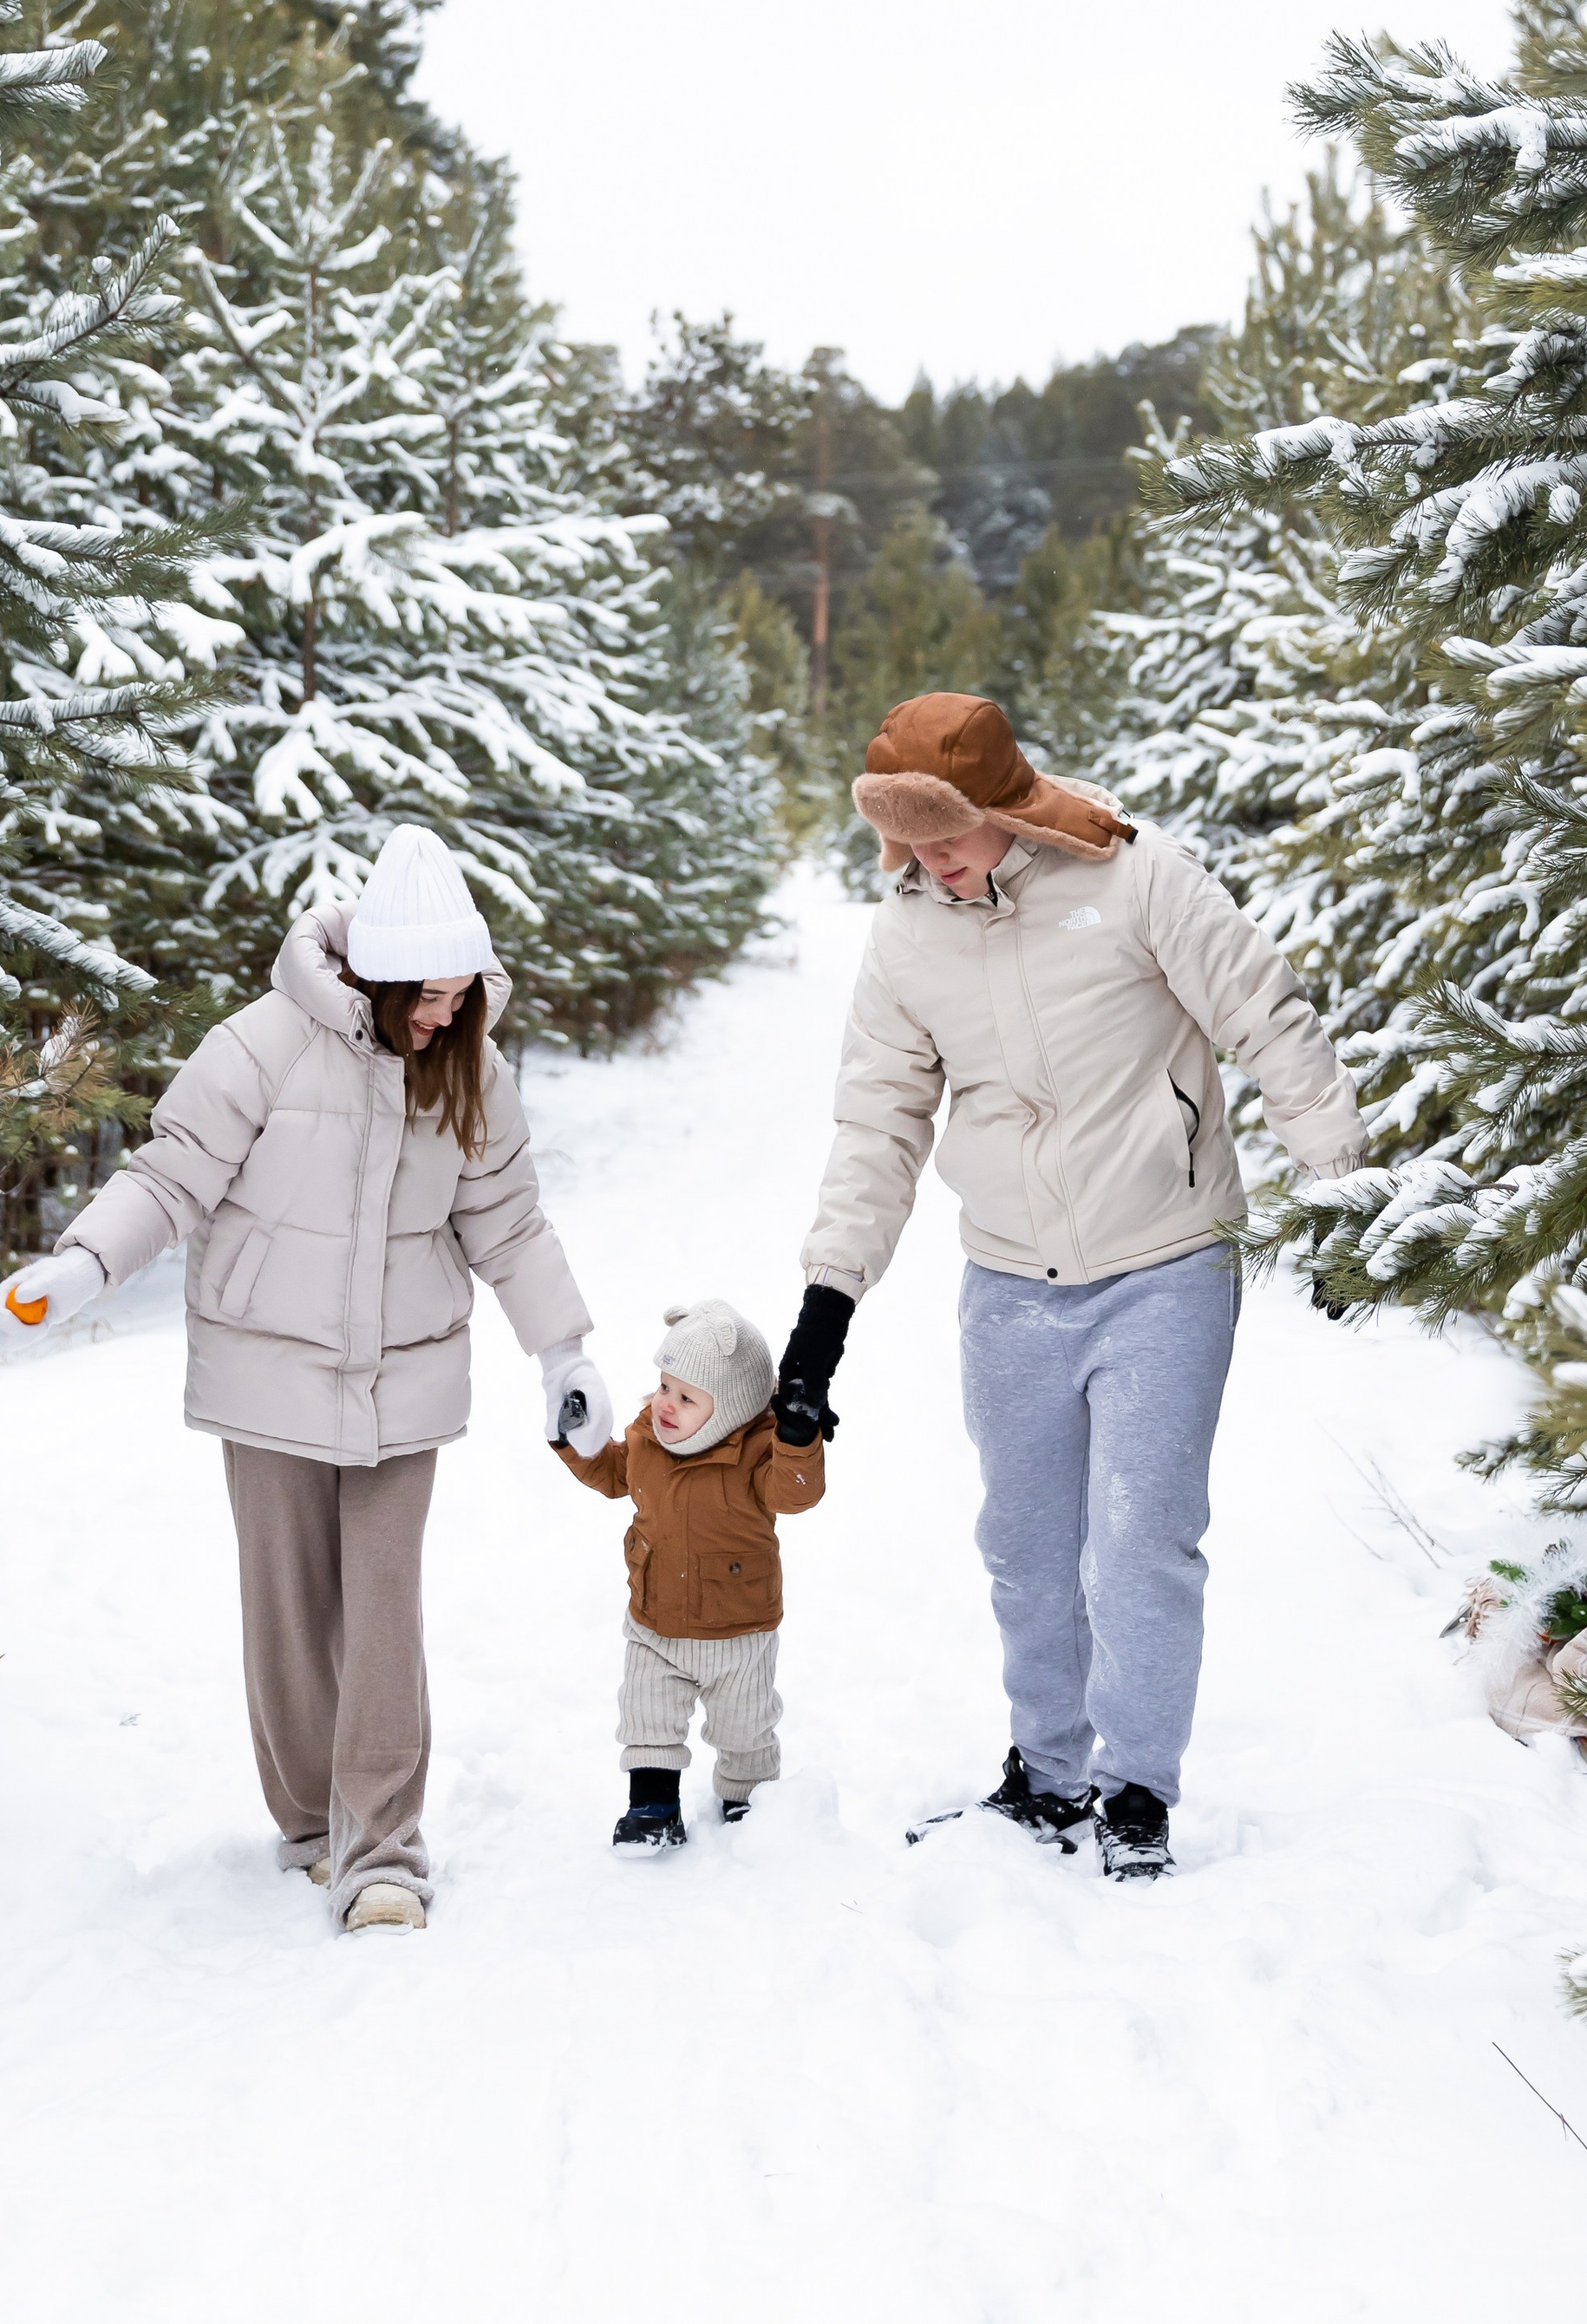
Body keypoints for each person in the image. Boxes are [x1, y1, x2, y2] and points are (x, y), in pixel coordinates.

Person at [777, 694, 1364, 1880]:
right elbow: (879, 1121)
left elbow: (1267, 1015)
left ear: (1005, 805)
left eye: (946, 835)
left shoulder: (1139, 878)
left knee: (1143, 1538)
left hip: (1168, 1259)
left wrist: (1340, 1187)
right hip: (1009, 1280)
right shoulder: (906, 935)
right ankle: (1045, 1775)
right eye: (907, 843)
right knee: (1027, 1543)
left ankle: (1136, 1786)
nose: (929, 863)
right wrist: (825, 1307)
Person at [0, 825, 615, 1936]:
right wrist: (82, 1264)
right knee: (286, 1611)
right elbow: (170, 1176)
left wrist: (562, 1351)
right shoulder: (261, 1046)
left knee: (380, 1611)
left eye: (461, 995)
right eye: (426, 994)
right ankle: (310, 1827)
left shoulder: (471, 1062)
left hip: (405, 1376)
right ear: (371, 977)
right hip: (265, 1367)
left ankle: (382, 1850)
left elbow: (508, 1224)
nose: (443, 1014)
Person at [554, 1297, 826, 1851]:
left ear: (729, 1409)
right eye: (663, 1386)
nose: (666, 1405)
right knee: (646, 1714)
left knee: (744, 1728)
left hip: (739, 1629)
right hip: (656, 1618)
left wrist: (798, 1442)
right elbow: (613, 1475)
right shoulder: (647, 1439)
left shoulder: (757, 1454)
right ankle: (652, 1808)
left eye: (686, 1397)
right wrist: (575, 1443)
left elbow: (796, 1496)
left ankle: (747, 1802)